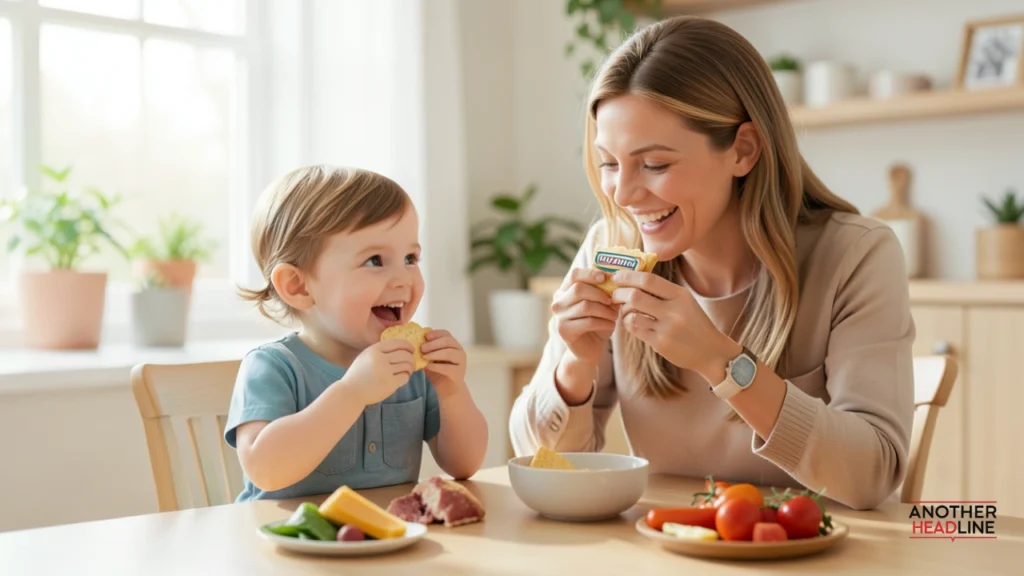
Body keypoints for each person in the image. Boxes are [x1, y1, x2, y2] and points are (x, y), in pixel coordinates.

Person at [509, 16, 914, 510]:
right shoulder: (610, 248)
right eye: (610, 163)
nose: (622, 194)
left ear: (743, 150)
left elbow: (873, 474)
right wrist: (574, 367)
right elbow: (541, 464)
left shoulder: (855, 255)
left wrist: (720, 362)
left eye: (654, 164)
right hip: (667, 541)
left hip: (811, 542)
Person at [225, 165, 488, 502]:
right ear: (298, 286)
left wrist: (452, 392)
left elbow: (464, 465)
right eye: (375, 260)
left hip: (390, 531)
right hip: (291, 533)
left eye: (410, 258)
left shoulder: (412, 368)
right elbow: (265, 470)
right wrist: (351, 393)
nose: (403, 279)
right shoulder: (274, 367)